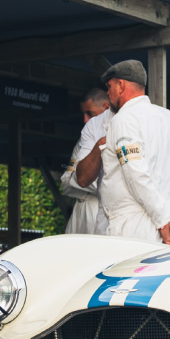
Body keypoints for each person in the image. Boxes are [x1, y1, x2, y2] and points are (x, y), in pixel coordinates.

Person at [92, 60, 170, 244]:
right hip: (167, 222)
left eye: (109, 86)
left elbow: (135, 174)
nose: (107, 93)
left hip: (133, 226)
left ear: (120, 85)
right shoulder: (169, 118)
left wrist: (163, 223)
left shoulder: (123, 119)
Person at [60, 87, 111, 235]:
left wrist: (82, 179)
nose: (85, 120)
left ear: (106, 107)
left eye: (89, 113)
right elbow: (66, 182)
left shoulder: (119, 134)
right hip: (79, 212)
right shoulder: (82, 140)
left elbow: (115, 185)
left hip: (100, 211)